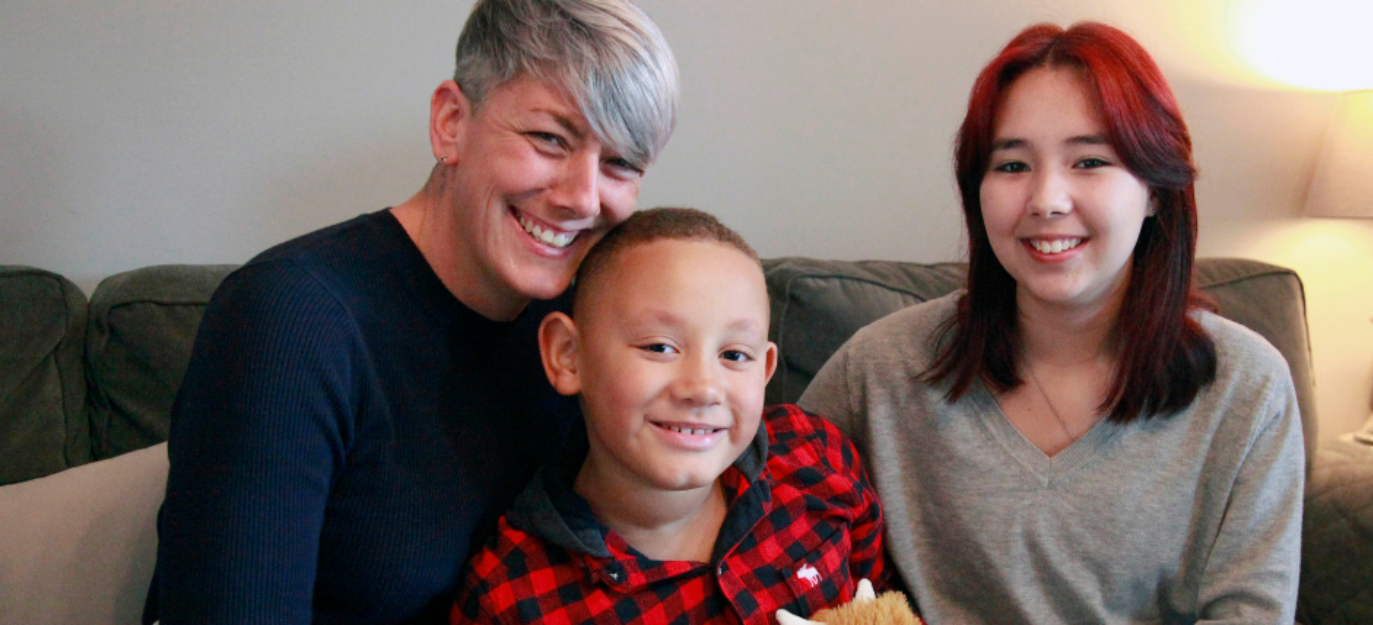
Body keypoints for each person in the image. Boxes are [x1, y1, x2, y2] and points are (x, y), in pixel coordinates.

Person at [145, 1, 677, 623]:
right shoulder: (290, 320)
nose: (582, 198)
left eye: (620, 163)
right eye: (550, 139)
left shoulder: (595, 317)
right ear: (451, 121)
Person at [800, 22, 1304, 624]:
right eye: (1012, 166)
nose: (1046, 199)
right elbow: (752, 521)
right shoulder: (880, 369)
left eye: (1089, 160)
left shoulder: (1246, 387)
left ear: (1155, 192)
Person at [451, 208, 890, 625]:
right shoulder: (510, 597)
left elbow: (886, 600)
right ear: (569, 356)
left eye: (734, 354)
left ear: (765, 371)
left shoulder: (817, 458)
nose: (701, 387)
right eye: (659, 347)